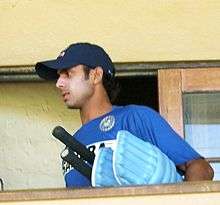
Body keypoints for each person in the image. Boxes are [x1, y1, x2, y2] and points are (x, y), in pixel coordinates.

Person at [35, 42, 214, 187]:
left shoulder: (135, 118)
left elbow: (201, 168)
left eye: (68, 73)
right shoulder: (73, 143)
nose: (59, 83)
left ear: (96, 75)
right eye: (59, 76)